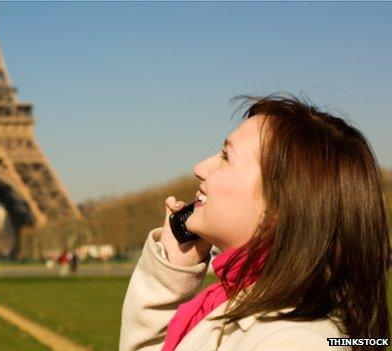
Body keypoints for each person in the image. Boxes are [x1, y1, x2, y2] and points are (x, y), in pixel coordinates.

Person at [119, 95, 390, 351]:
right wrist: (173, 269)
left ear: (279, 205)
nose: (200, 168)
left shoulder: (293, 342)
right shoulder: (258, 312)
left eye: (226, 157)